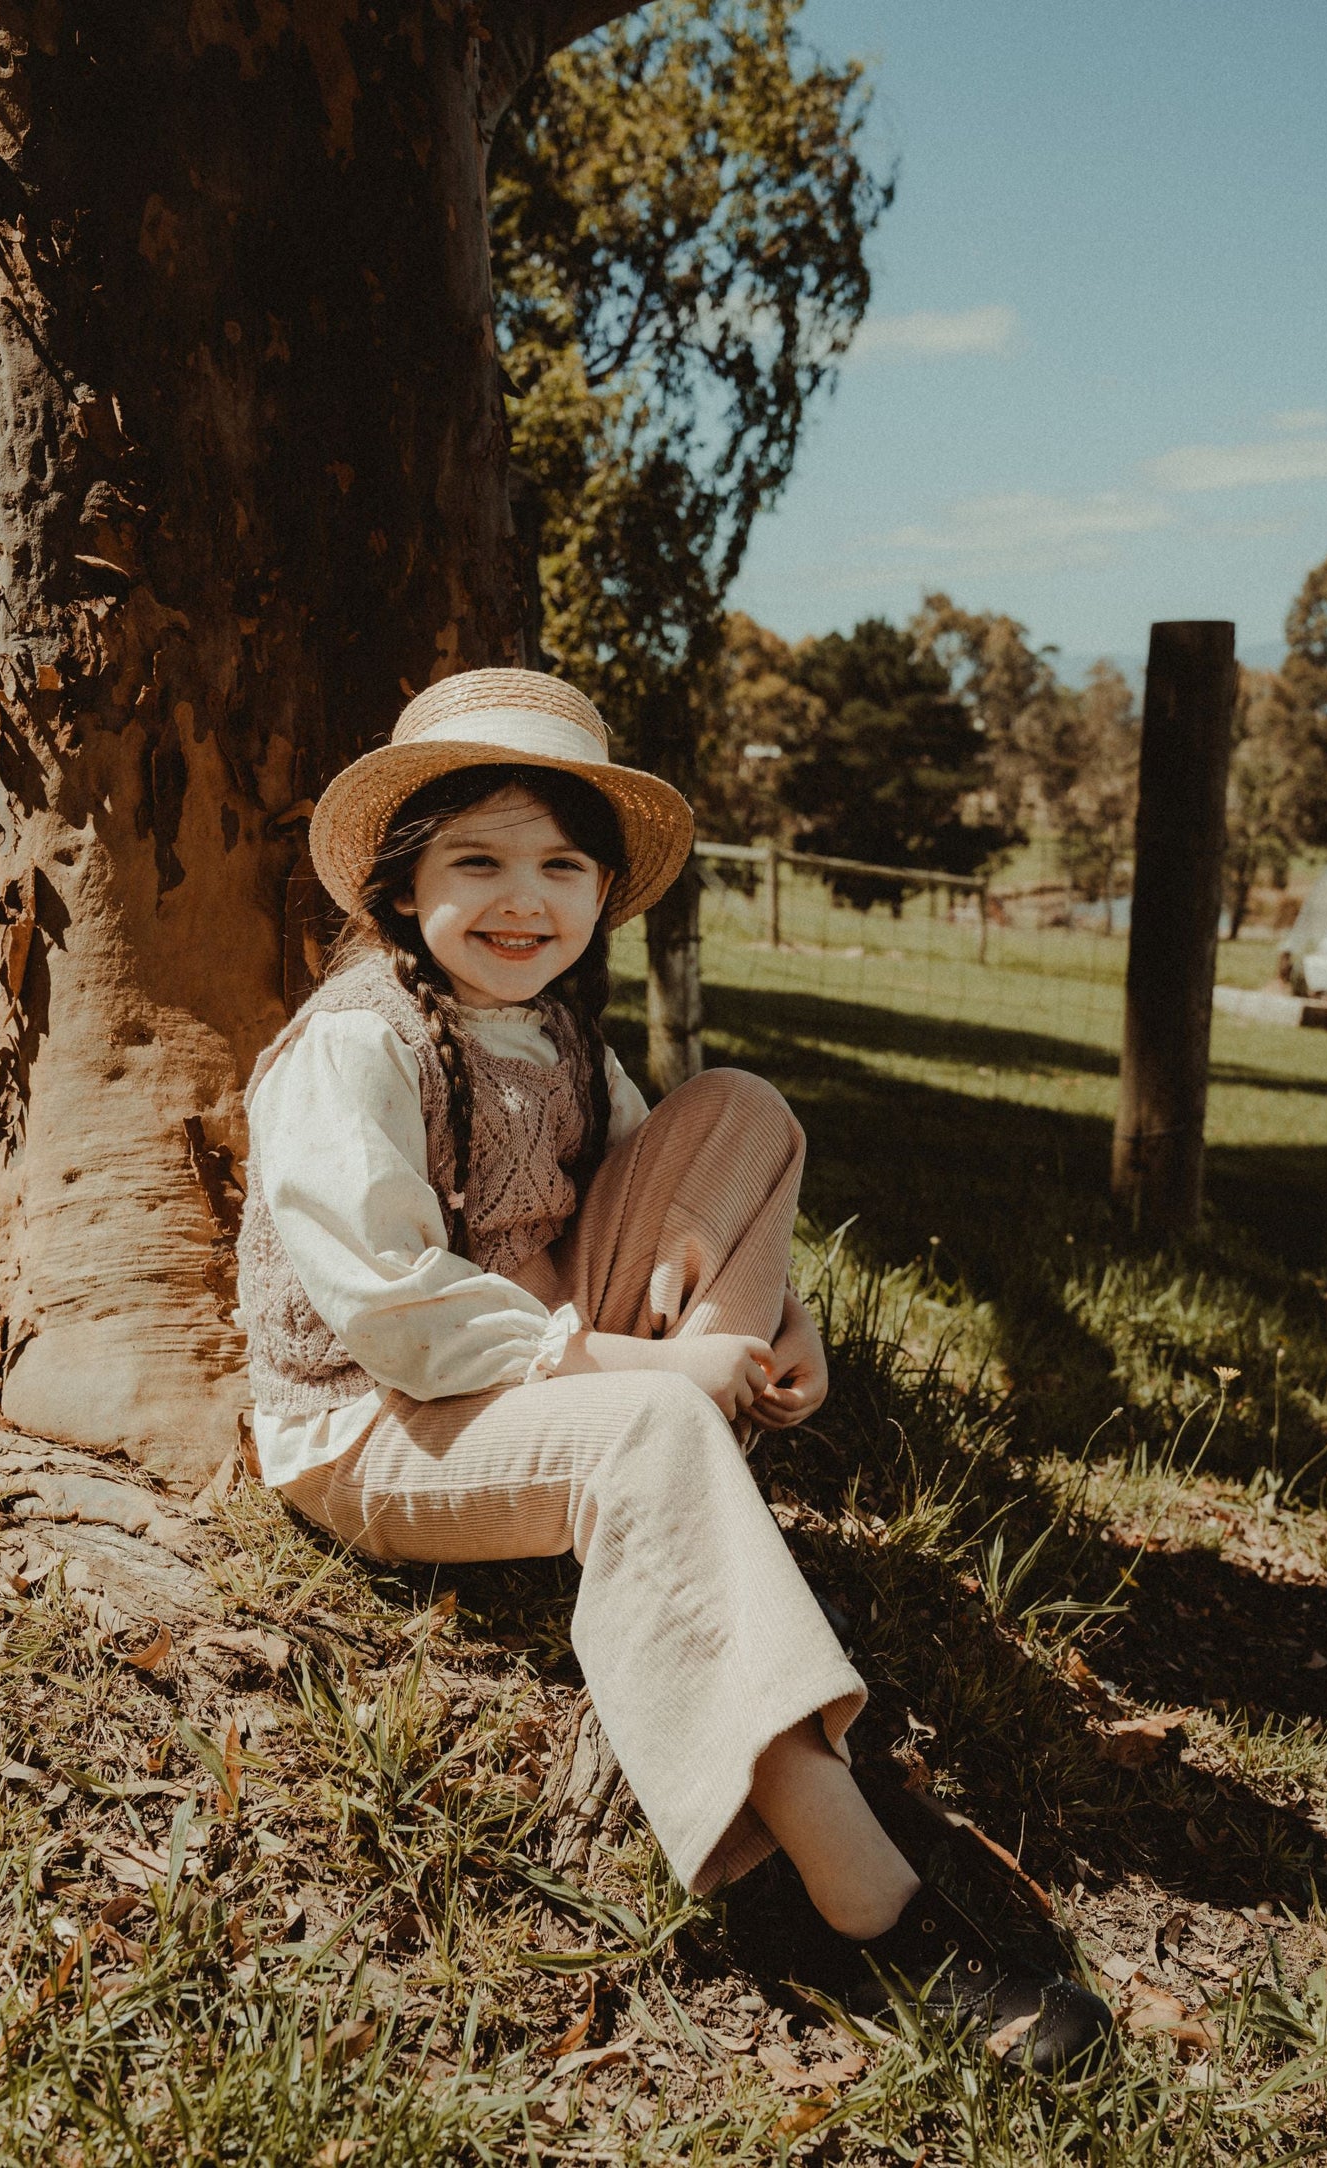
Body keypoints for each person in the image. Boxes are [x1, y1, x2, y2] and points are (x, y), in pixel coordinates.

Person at [236, 668, 1110, 2073]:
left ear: (601, 893)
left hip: (539, 1373)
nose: (523, 900)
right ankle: (853, 1902)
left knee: (742, 1110)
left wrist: (777, 1325)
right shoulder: (353, 1045)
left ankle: (701, 1473)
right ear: (401, 886)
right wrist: (619, 1366)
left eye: (560, 867)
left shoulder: (563, 1040)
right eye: (477, 863)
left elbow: (682, 1189)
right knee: (647, 1425)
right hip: (377, 1422)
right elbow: (389, 1305)